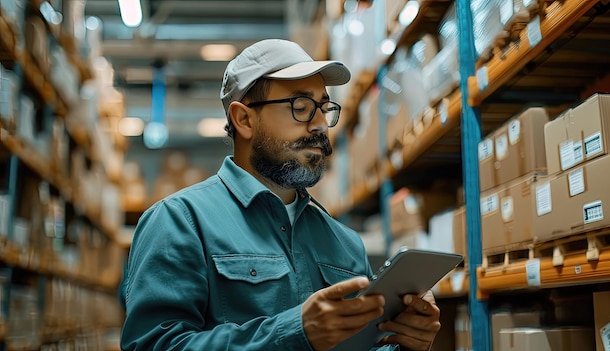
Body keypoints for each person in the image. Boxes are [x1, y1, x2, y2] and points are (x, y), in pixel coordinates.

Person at [120, 39, 440, 351]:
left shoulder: (344, 242)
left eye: (324, 108)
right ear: (244, 119)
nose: (319, 124)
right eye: (300, 107)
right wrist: (294, 333)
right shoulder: (179, 222)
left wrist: (402, 343)